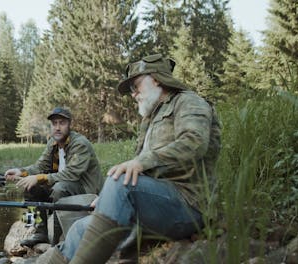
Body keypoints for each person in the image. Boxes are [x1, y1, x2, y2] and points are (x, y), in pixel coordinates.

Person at [38, 54, 222, 264]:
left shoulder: (188, 101)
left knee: (118, 182)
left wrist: (139, 165)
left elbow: (194, 143)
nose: (133, 94)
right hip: (154, 203)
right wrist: (109, 197)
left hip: (189, 204)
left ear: (155, 78)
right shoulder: (150, 119)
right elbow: (139, 174)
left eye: (136, 86)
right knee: (80, 227)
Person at [5, 107, 104, 247]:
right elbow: (40, 166)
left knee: (59, 188)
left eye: (61, 123)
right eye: (54, 123)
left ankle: (57, 239)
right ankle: (40, 232)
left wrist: (39, 178)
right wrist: (21, 172)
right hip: (63, 187)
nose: (57, 128)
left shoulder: (80, 144)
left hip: (87, 192)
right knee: (30, 187)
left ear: (70, 125)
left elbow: (71, 174)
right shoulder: (53, 142)